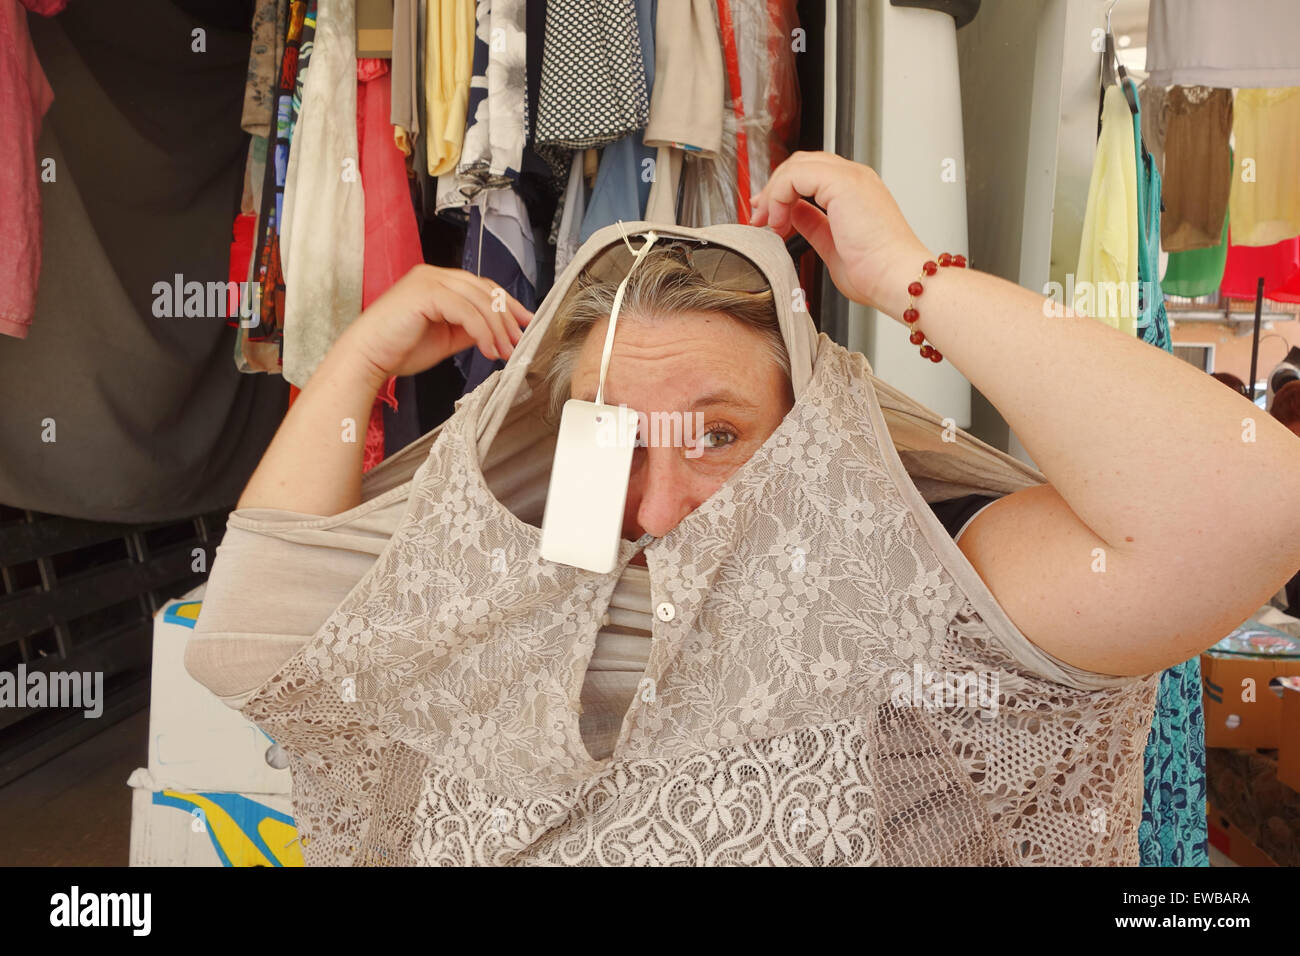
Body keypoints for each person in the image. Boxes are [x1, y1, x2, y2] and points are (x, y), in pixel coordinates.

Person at [188, 152, 1300, 865]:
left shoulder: (915, 601)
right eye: (613, 430)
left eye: (718, 433)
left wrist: (907, 278)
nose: (659, 502)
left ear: (807, 441)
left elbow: (1252, 505)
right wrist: (362, 354)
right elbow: (245, 640)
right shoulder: (495, 583)